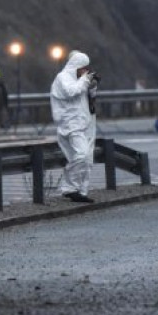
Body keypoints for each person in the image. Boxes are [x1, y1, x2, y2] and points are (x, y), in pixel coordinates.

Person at [50, 50, 99, 203]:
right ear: (76, 66)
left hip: (84, 123)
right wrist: (85, 80)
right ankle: (69, 188)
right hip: (71, 125)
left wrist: (92, 86)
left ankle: (81, 191)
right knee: (82, 155)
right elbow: (72, 92)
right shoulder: (63, 78)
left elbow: (86, 98)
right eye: (83, 68)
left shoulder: (79, 79)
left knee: (87, 159)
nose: (85, 71)